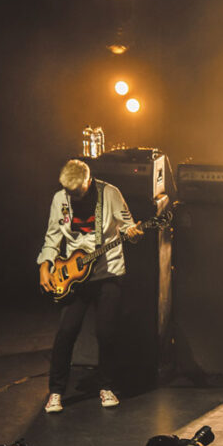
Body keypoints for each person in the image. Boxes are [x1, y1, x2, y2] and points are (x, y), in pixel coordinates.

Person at [37, 159, 143, 414]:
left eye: (76, 191)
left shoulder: (110, 194)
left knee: (106, 333)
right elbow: (53, 236)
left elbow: (128, 224)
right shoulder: (60, 199)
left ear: (88, 180)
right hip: (75, 273)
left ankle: (106, 386)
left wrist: (132, 232)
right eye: (68, 192)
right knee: (66, 333)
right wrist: (45, 265)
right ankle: (55, 391)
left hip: (108, 273)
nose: (71, 196)